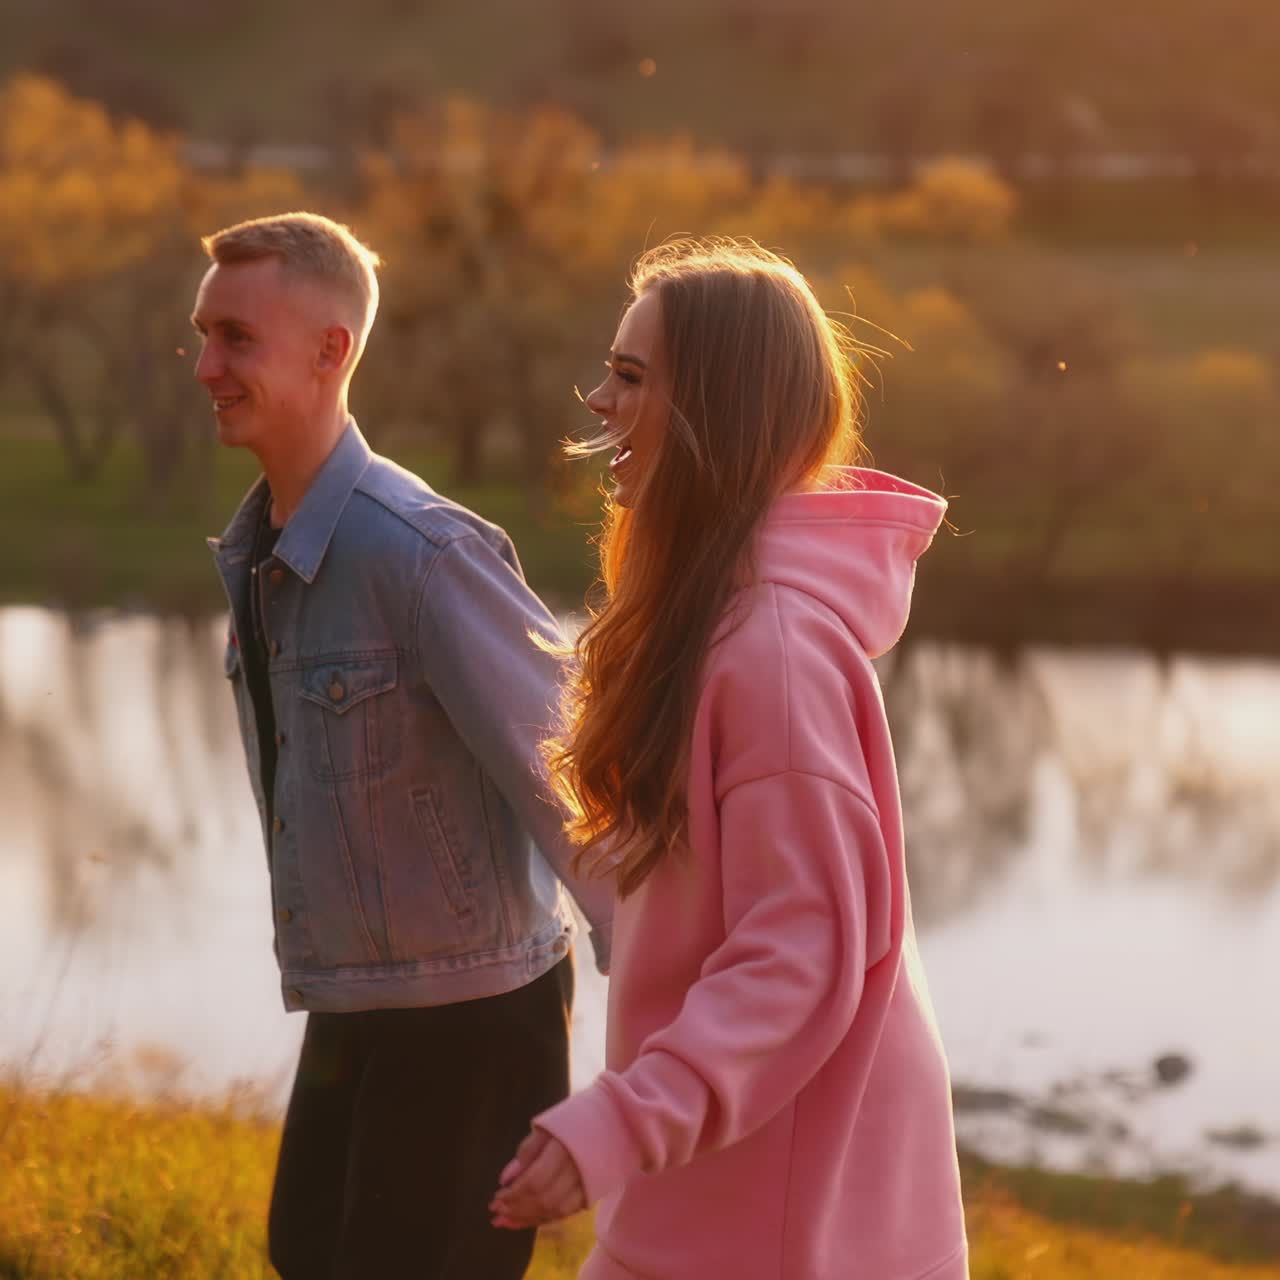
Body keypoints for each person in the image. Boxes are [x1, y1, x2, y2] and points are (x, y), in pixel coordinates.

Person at [491, 238, 968, 1279]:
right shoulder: (713, 621)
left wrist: (620, 1119)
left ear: (714, 405)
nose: (599, 402)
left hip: (786, 1210)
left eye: (628, 377)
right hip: (721, 1181)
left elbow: (797, 949)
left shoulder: (775, 652)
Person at [193, 210, 613, 1280]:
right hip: (355, 994)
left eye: (236, 337)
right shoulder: (259, 552)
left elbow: (574, 778)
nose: (206, 365)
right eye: (202, 335)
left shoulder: (421, 552)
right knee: (307, 1252)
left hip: (473, 1016)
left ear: (332, 349)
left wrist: (678, 1039)